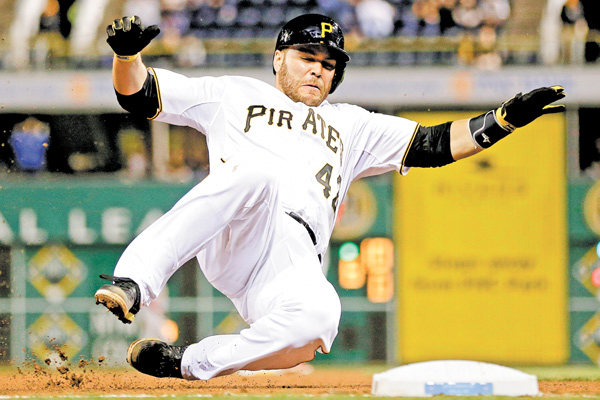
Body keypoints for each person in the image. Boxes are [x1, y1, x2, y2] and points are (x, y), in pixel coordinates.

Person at [94, 13, 565, 380]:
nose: (319, 69)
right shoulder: (231, 94)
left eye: (329, 64)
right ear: (279, 58)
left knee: (320, 319)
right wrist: (126, 57)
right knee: (259, 173)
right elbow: (140, 95)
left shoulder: (352, 124)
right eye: (307, 57)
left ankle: (185, 361)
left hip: (293, 259)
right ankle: (134, 281)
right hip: (239, 223)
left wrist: (504, 120)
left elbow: (434, 145)